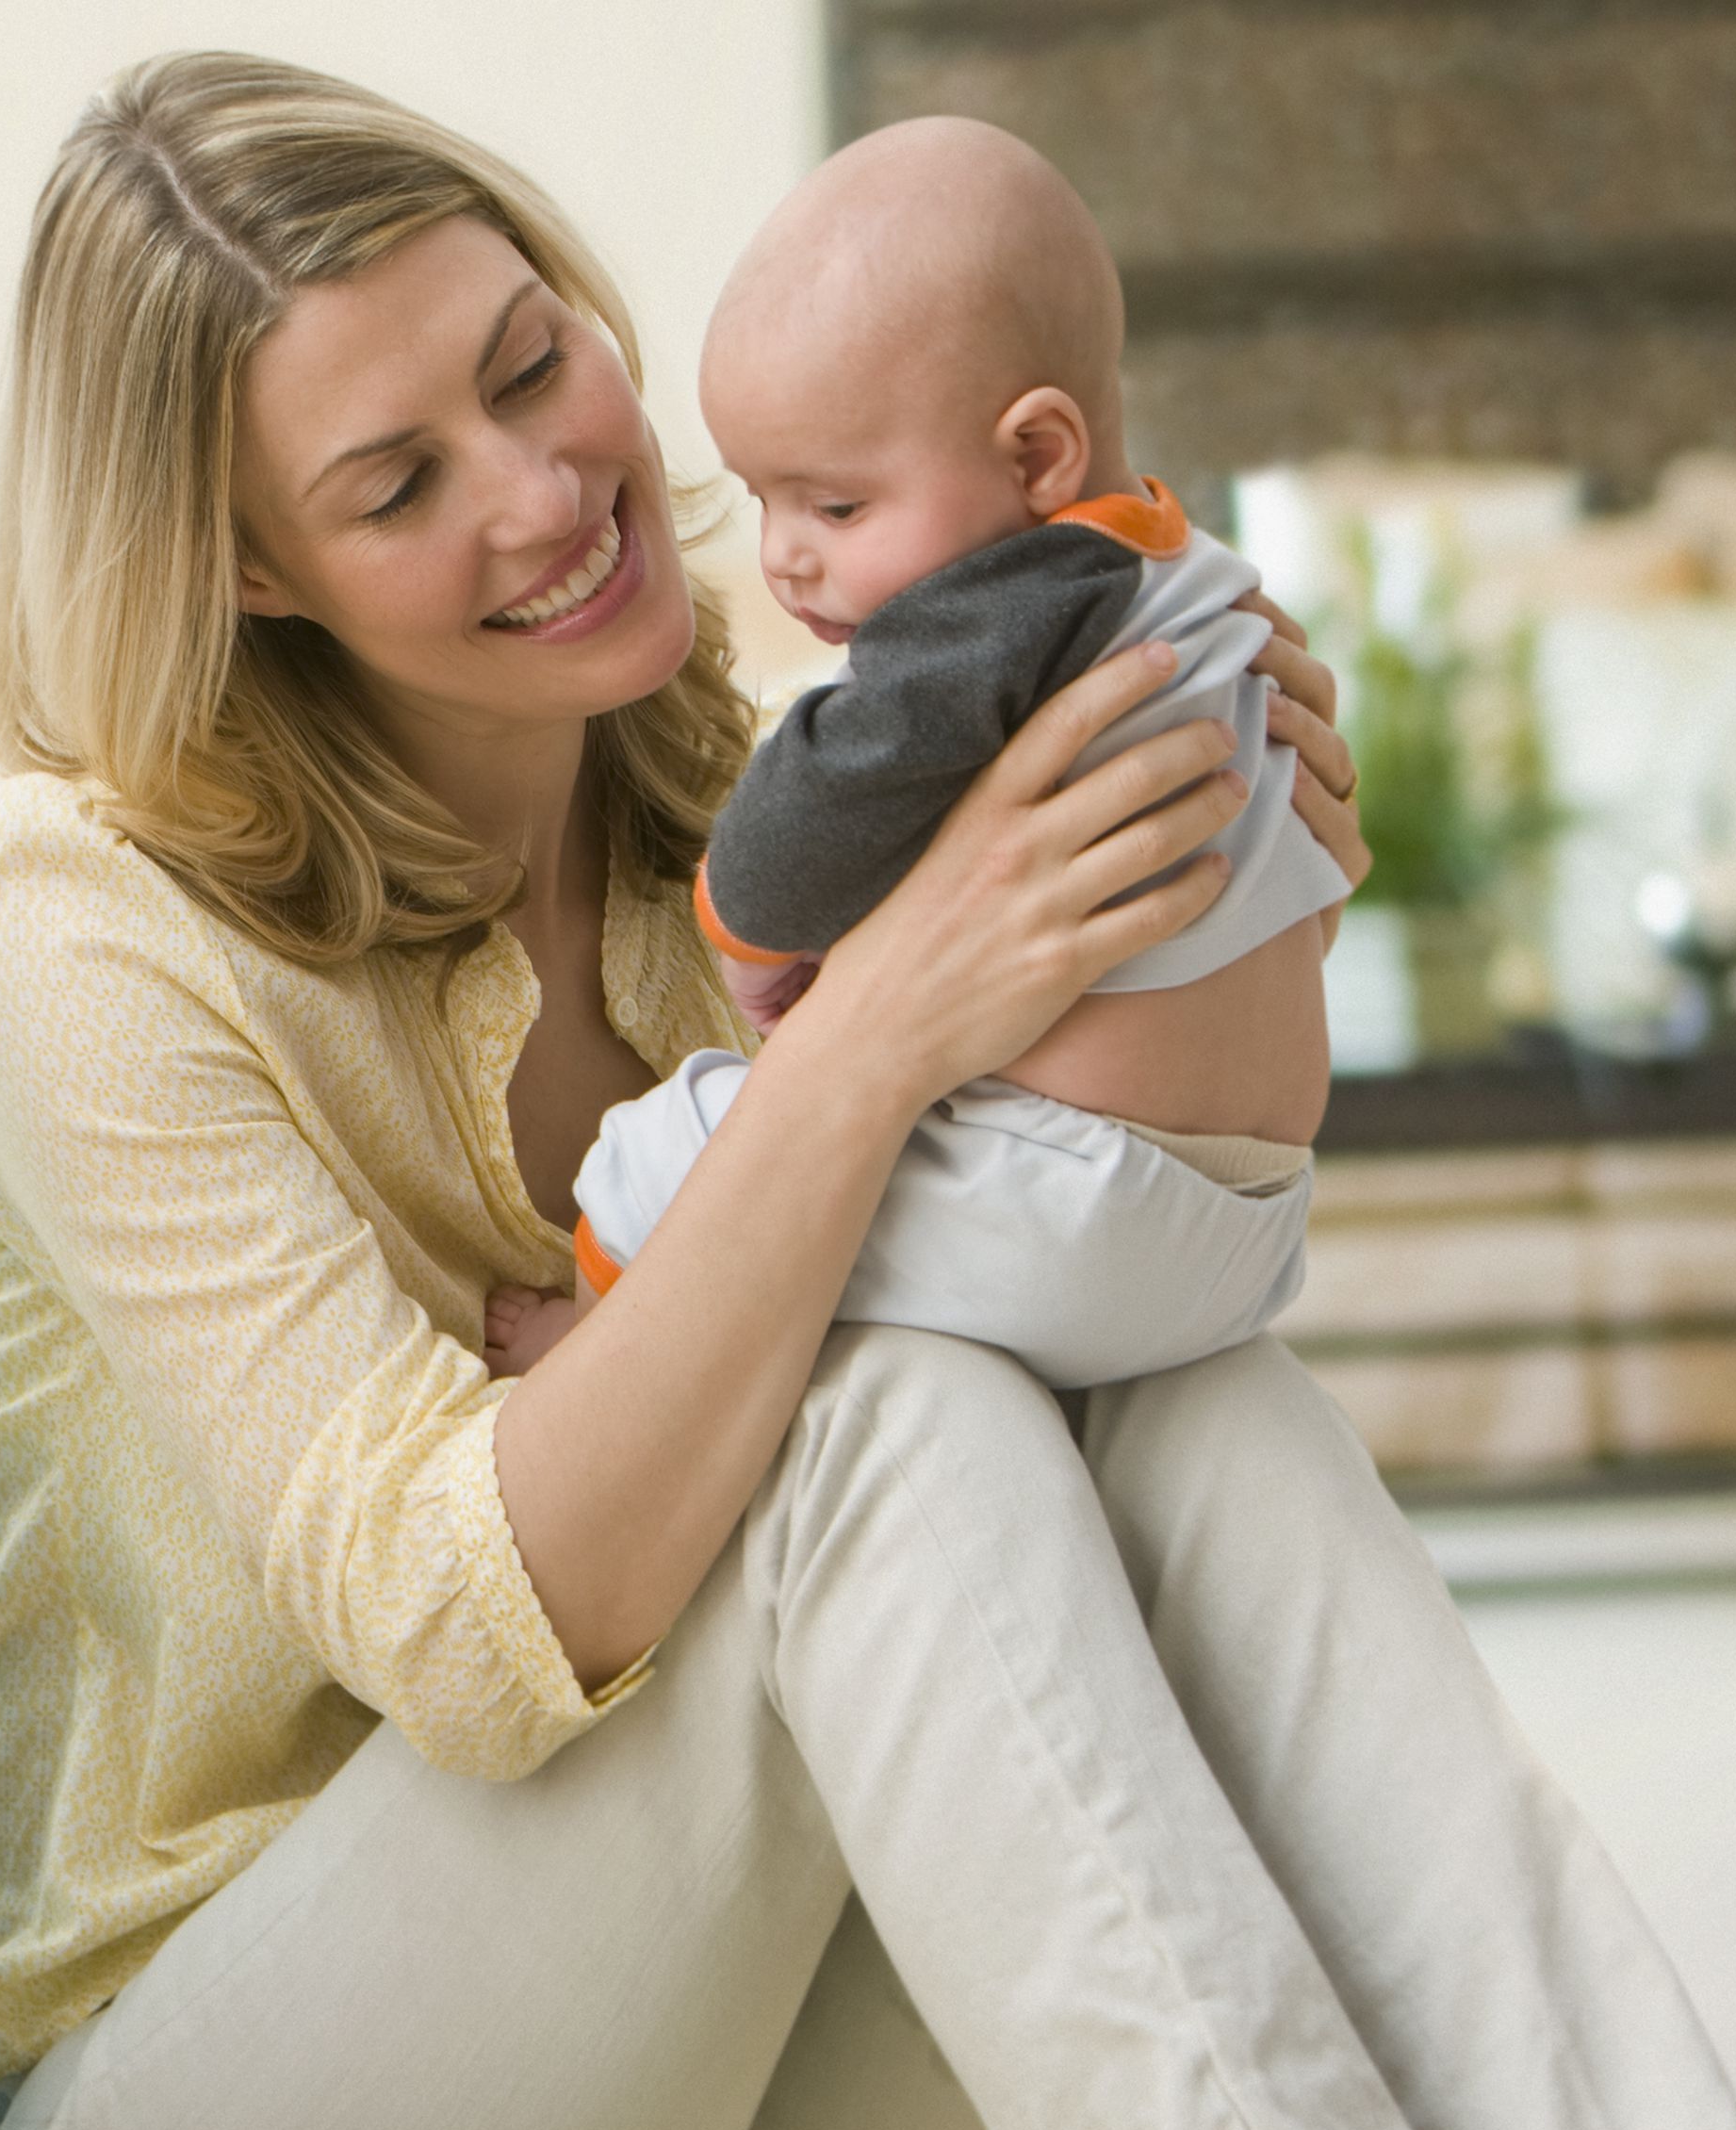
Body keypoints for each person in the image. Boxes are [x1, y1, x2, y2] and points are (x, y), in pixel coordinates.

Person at [0, 52, 1736, 2130]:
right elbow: (469, 1630)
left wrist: (1243, 886)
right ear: (242, 575)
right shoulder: (73, 910)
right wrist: (895, 1030)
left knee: (1200, 1410)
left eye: (528, 358)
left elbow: (1160, 1236)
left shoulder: (759, 766)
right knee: (879, 1403)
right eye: (390, 486)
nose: (536, 486)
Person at [504, 114, 1344, 1394]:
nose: (786, 554)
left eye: (836, 505)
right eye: (761, 497)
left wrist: (746, 925)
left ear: (1035, 457)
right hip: (1247, 1218)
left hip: (1074, 1193)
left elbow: (836, 788)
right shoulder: (1193, 585)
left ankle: (598, 1364)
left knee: (676, 1147)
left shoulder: (1006, 614)